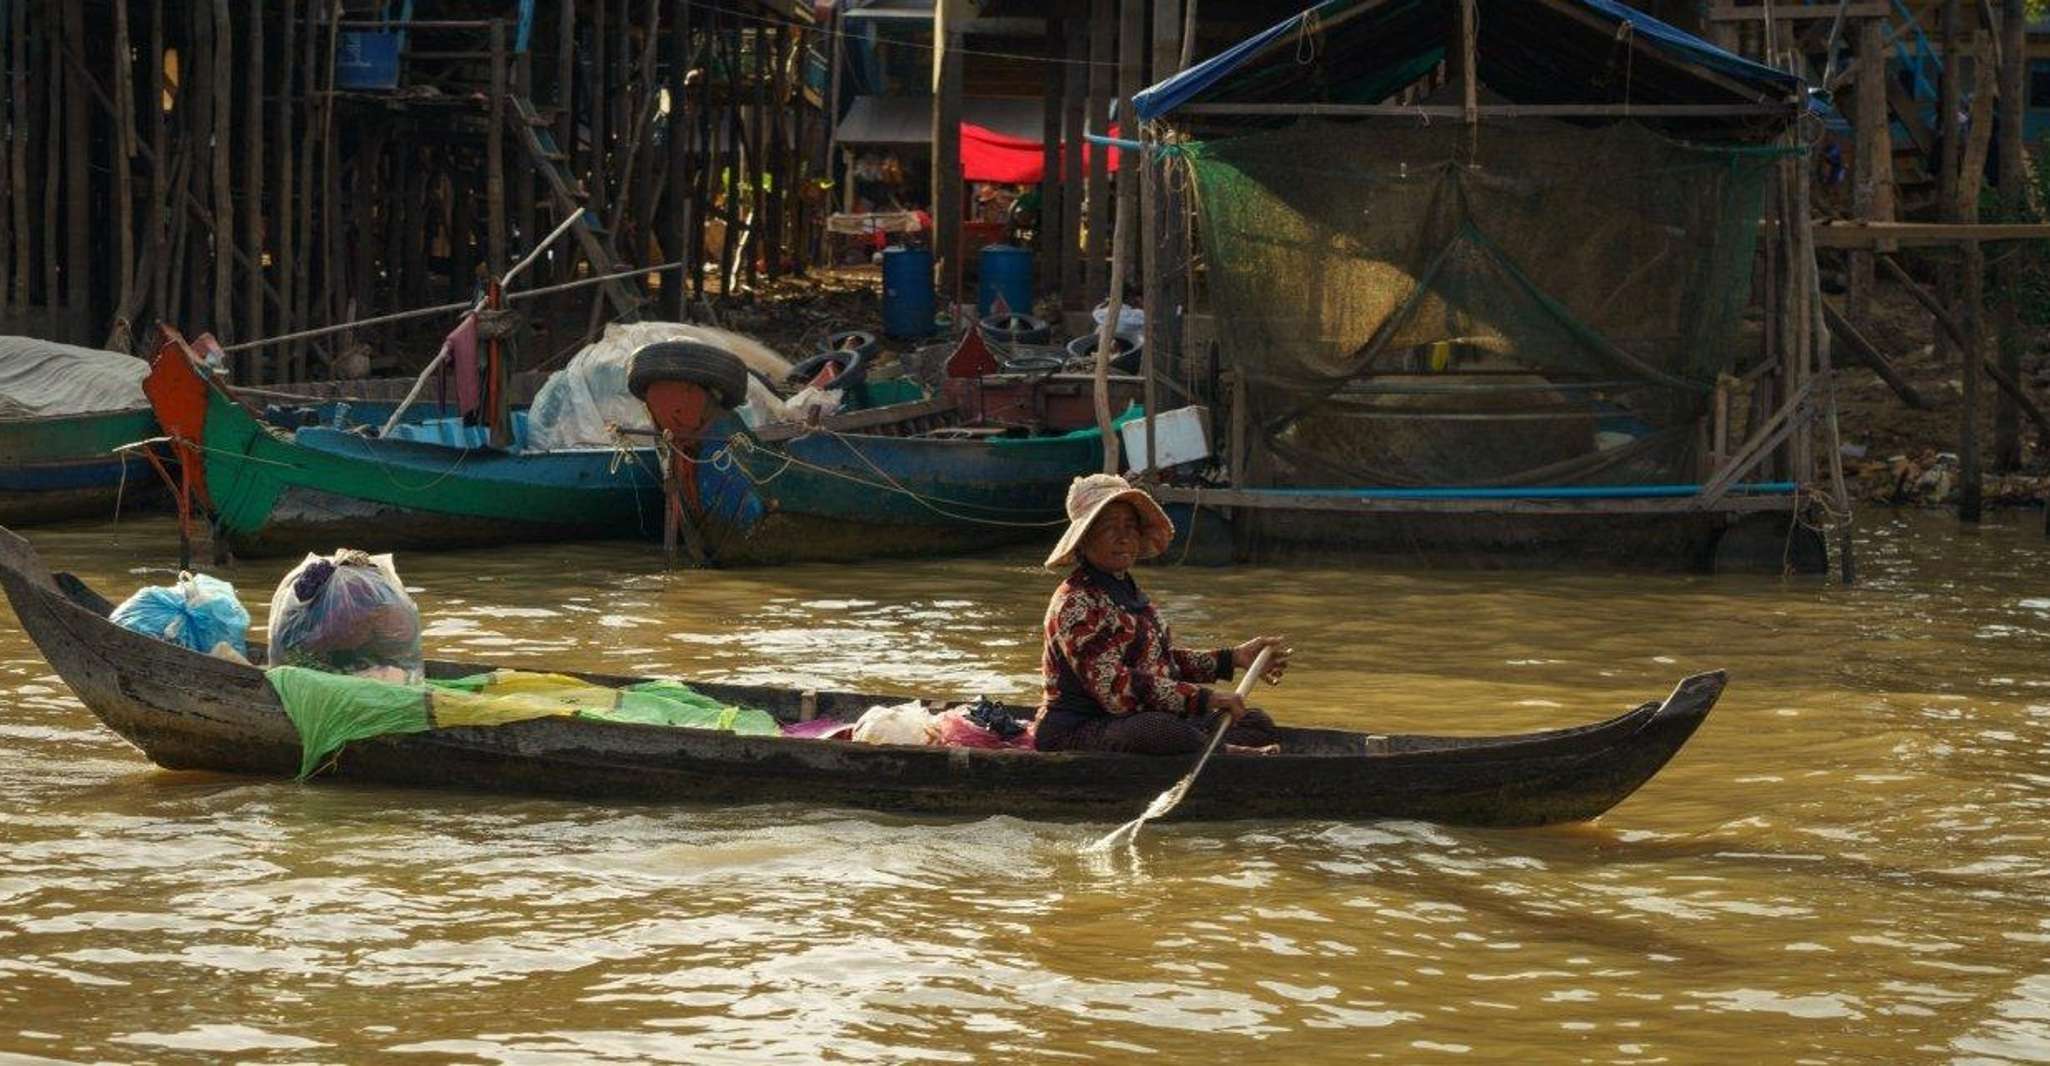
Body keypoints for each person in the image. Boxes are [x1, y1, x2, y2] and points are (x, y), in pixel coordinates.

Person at [1033, 474, 1290, 755]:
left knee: (1255, 723)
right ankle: (1227, 753)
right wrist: (1205, 698)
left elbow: (1160, 660)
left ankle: (1210, 749)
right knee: (1158, 729)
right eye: (1109, 527)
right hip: (1080, 729)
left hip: (1132, 718)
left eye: (1130, 527)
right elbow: (1116, 688)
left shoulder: (1131, 594)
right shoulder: (1075, 602)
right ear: (1083, 540)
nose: (1123, 537)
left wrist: (1232, 658)